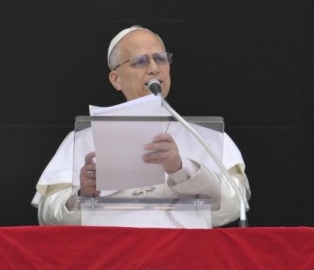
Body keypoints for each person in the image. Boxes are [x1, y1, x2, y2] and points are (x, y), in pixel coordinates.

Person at [32, 25, 250, 227]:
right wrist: (83, 196)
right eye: (140, 61)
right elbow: (48, 217)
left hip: (182, 253)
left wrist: (181, 169)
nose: (154, 68)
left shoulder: (208, 138)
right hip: (110, 252)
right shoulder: (81, 140)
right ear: (116, 79)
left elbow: (233, 207)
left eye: (161, 59)